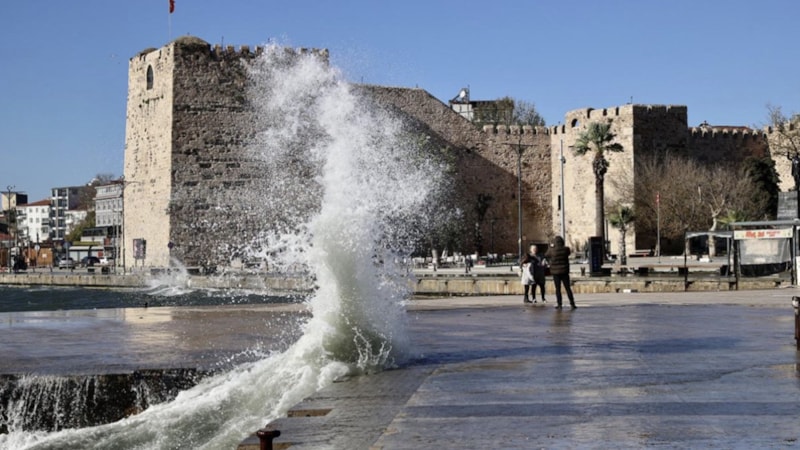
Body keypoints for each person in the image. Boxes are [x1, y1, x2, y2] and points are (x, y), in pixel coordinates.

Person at [545, 235, 576, 310]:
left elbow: (546, 255)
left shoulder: (552, 250)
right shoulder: (566, 249)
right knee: (568, 288)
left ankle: (559, 304)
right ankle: (572, 303)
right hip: (564, 271)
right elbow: (569, 253)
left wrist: (551, 246)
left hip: (555, 272)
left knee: (558, 288)